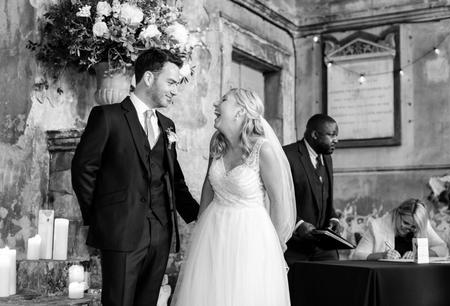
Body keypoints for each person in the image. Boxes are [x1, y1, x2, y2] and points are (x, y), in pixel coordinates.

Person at [71, 48, 200, 306]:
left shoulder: (167, 125)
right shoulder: (108, 116)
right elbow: (83, 170)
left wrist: (201, 217)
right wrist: (102, 219)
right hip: (121, 233)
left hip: (160, 233)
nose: (175, 90)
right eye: (171, 82)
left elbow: (175, 180)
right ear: (149, 78)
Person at [171, 88, 296, 306]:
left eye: (223, 100)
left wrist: (274, 247)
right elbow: (208, 186)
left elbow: (278, 202)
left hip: (250, 235)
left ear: (240, 111)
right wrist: (200, 227)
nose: (215, 104)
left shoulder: (262, 149)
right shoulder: (217, 142)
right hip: (213, 230)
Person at [283, 114, 340, 265]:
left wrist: (333, 218)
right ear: (315, 135)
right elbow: (276, 198)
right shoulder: (287, 155)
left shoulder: (327, 158)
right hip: (294, 247)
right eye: (331, 135)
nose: (336, 140)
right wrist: (298, 224)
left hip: (323, 249)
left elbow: (325, 195)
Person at [352, 198, 448, 260]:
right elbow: (357, 255)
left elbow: (442, 249)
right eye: (405, 223)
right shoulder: (377, 226)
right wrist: (382, 255)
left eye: (413, 227)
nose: (408, 228)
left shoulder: (422, 224)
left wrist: (419, 254)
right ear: (398, 213)